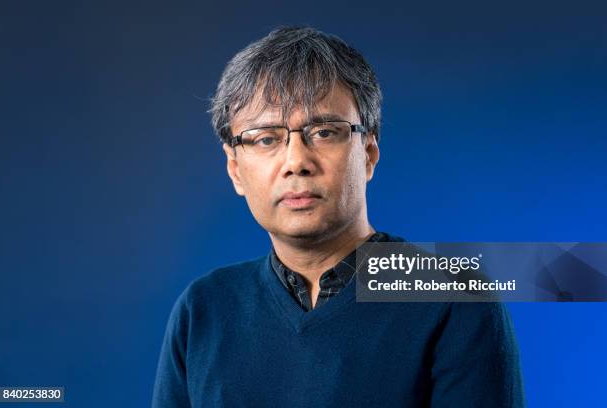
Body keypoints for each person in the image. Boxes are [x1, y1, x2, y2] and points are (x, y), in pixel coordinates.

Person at [151, 26, 525, 407]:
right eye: (266, 139)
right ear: (234, 169)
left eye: (324, 132)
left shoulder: (452, 299)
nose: (296, 161)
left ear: (369, 153)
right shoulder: (204, 310)